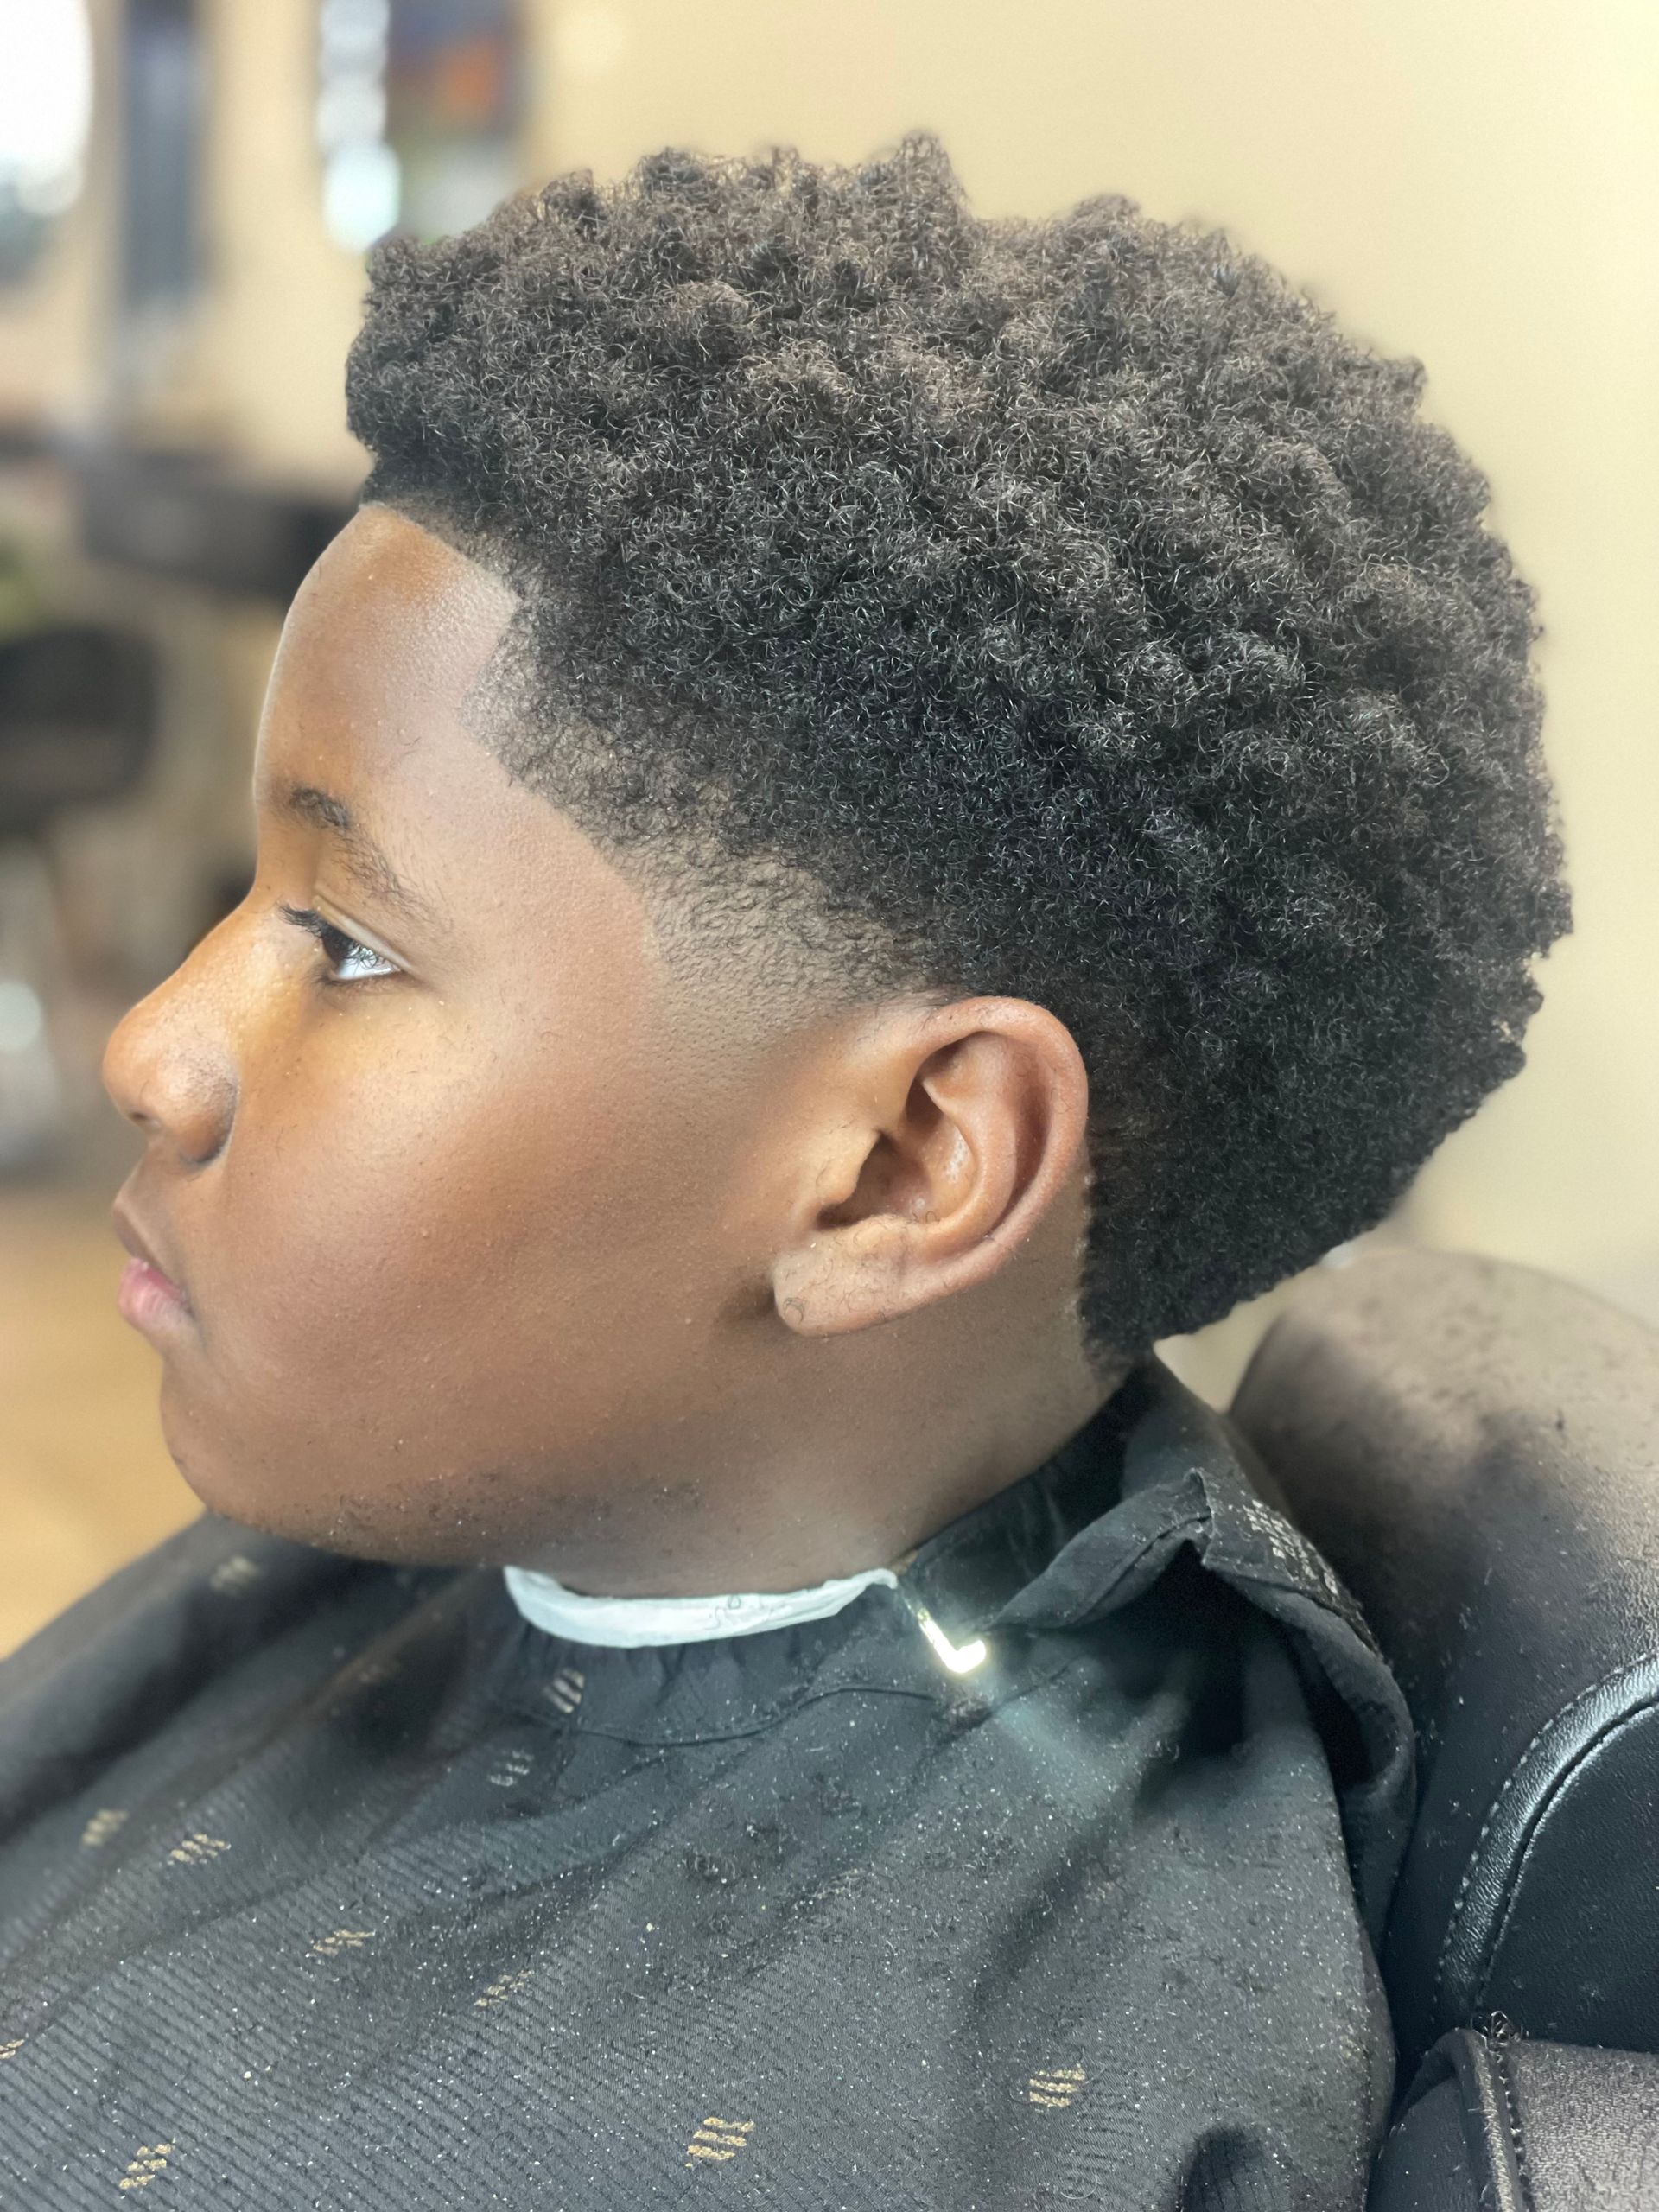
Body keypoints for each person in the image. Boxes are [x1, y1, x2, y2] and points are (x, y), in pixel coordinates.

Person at [0, 137, 1566, 2209]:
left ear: (900, 1167)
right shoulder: (508, 1471)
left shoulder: (898, 2126)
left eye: (350, 944)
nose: (152, 1048)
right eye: (242, 890)